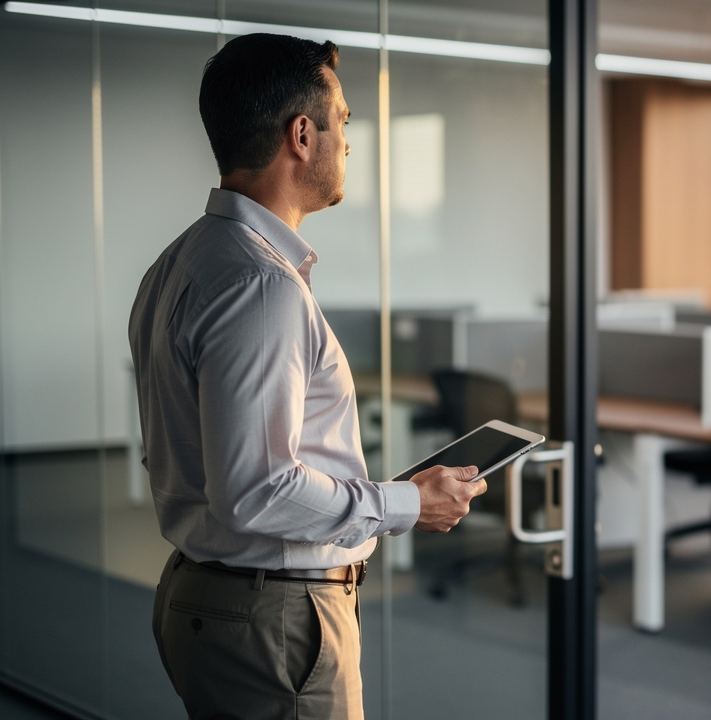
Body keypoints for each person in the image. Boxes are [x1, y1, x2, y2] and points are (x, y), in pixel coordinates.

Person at [128, 33, 486, 720]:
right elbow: (258, 490)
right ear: (302, 135)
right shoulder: (260, 287)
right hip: (272, 620)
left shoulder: (180, 263)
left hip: (218, 599)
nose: (349, 140)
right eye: (343, 120)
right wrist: (406, 505)